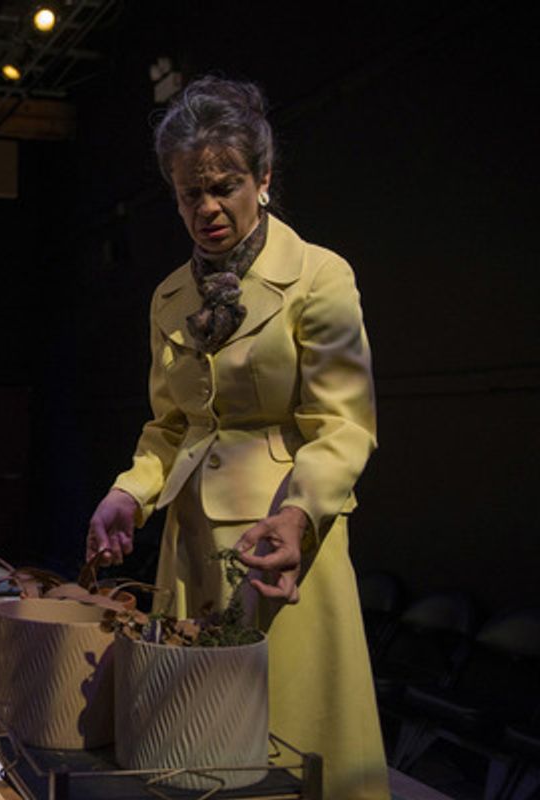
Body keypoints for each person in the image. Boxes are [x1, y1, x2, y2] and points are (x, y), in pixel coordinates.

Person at [86, 77, 388, 799]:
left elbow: (343, 422)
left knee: (289, 742)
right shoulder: (169, 296)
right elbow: (170, 426)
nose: (206, 209)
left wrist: (299, 513)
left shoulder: (318, 276)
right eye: (190, 193)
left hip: (282, 541)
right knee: (197, 747)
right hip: (189, 544)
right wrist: (128, 493)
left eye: (224, 186)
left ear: (264, 178)